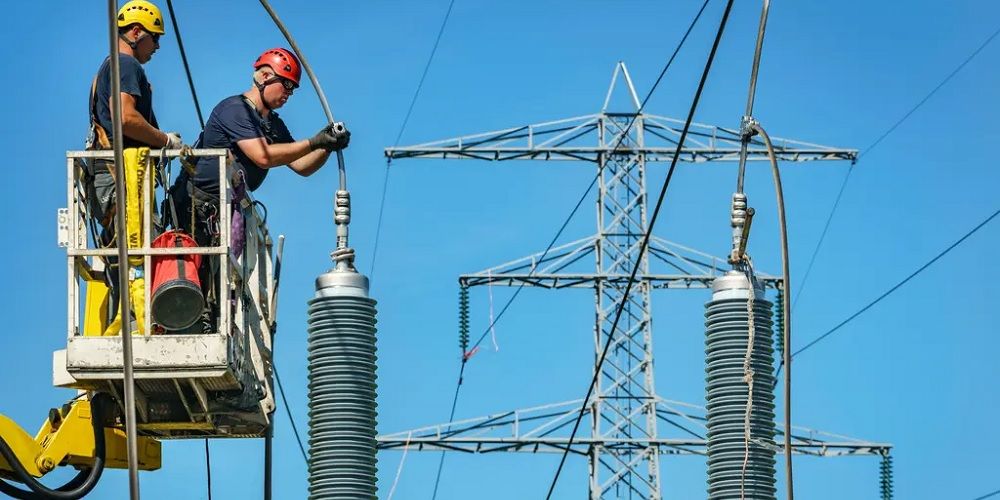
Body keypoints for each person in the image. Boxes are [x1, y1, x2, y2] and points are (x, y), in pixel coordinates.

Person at [169, 47, 349, 332]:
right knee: (194, 277)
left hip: (224, 211)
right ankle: (186, 322)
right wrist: (314, 141)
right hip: (196, 207)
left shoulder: (271, 124)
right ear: (265, 76)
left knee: (220, 282)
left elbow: (302, 164)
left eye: (293, 89)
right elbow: (263, 156)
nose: (288, 93)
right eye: (285, 85)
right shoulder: (234, 110)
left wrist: (327, 145)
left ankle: (209, 322)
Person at [86, 0, 183, 336]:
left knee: (125, 253)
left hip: (113, 176)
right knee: (143, 247)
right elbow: (125, 118)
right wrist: (165, 140)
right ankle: (143, 325)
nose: (157, 46)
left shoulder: (110, 68)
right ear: (136, 32)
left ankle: (129, 322)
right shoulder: (126, 67)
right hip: (121, 177)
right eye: (155, 38)